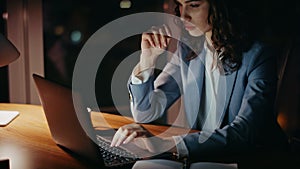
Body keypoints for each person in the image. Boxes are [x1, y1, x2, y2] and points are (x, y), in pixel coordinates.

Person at [110, 0, 289, 168]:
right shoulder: (188, 52)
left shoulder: (258, 56)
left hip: (255, 159)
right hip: (203, 157)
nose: (183, 16)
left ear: (221, 7)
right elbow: (146, 113)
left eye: (194, 5)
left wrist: (165, 144)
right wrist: (146, 62)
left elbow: (245, 132)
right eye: (180, 5)